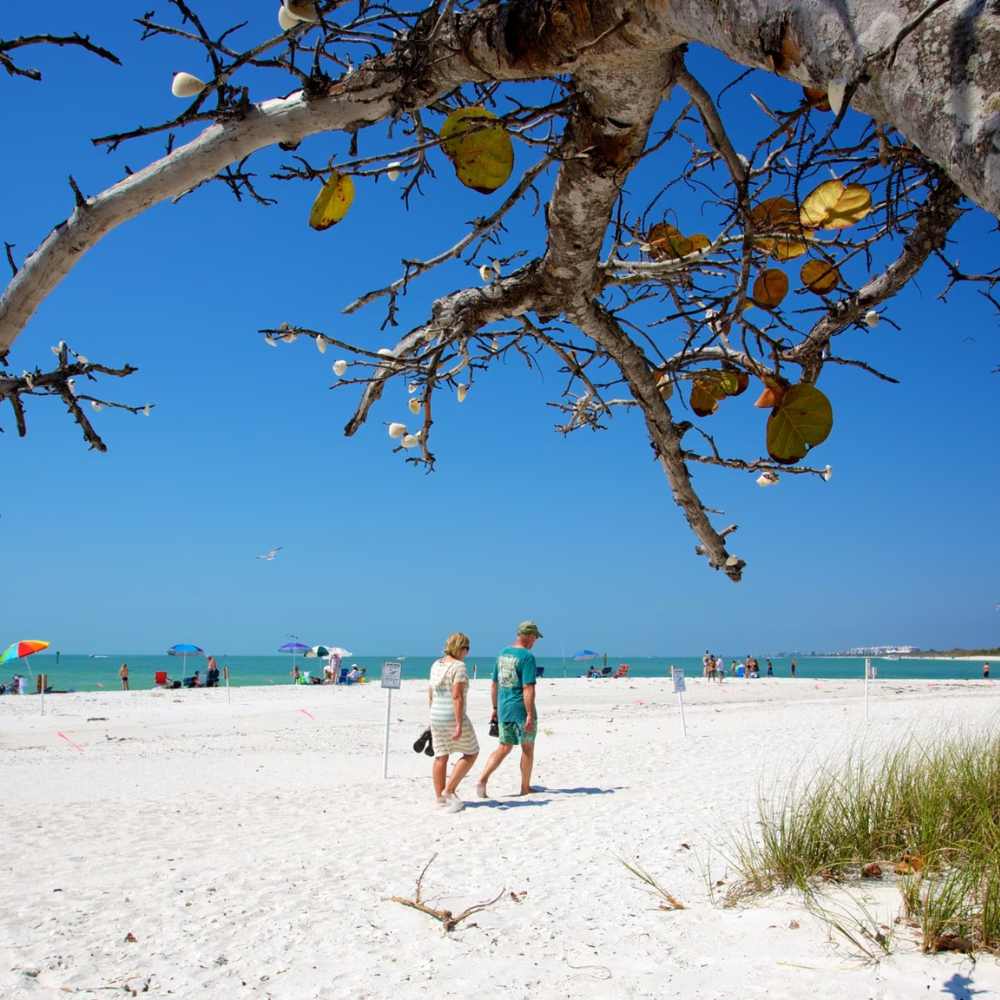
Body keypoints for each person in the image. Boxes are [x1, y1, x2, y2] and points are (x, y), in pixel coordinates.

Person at [477, 621, 542, 798]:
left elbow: (494, 684)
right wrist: (529, 714)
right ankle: (525, 787)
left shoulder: (502, 654)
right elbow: (528, 687)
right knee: (527, 748)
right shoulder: (527, 657)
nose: (535, 641)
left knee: (504, 747)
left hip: (504, 708)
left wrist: (495, 708)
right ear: (528, 636)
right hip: (521, 708)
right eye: (535, 637)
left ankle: (482, 779)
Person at [428, 632, 479, 813]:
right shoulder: (459, 667)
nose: (468, 652)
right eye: (467, 649)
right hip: (451, 715)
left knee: (441, 756)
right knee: (472, 751)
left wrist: (431, 715)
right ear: (461, 648)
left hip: (435, 714)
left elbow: (431, 692)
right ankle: (449, 790)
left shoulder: (436, 664)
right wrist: (458, 723)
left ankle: (440, 799)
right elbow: (457, 696)